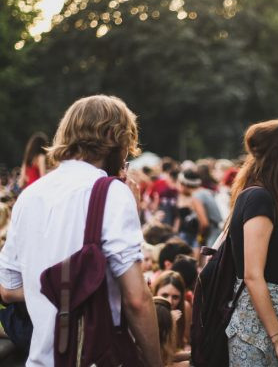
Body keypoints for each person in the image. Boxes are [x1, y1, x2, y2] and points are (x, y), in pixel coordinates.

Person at [0, 95, 162, 366]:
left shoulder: (30, 195)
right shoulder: (111, 193)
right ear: (112, 135)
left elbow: (7, 288)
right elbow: (137, 299)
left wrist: (54, 293)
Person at [225, 119, 278, 367]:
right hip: (258, 334)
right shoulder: (259, 198)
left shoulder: (261, 197)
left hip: (261, 328)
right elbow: (252, 275)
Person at [152, 270, 190, 350]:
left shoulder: (185, 308)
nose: (169, 301)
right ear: (155, 293)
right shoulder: (149, 311)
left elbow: (186, 342)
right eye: (165, 295)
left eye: (175, 297)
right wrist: (170, 322)